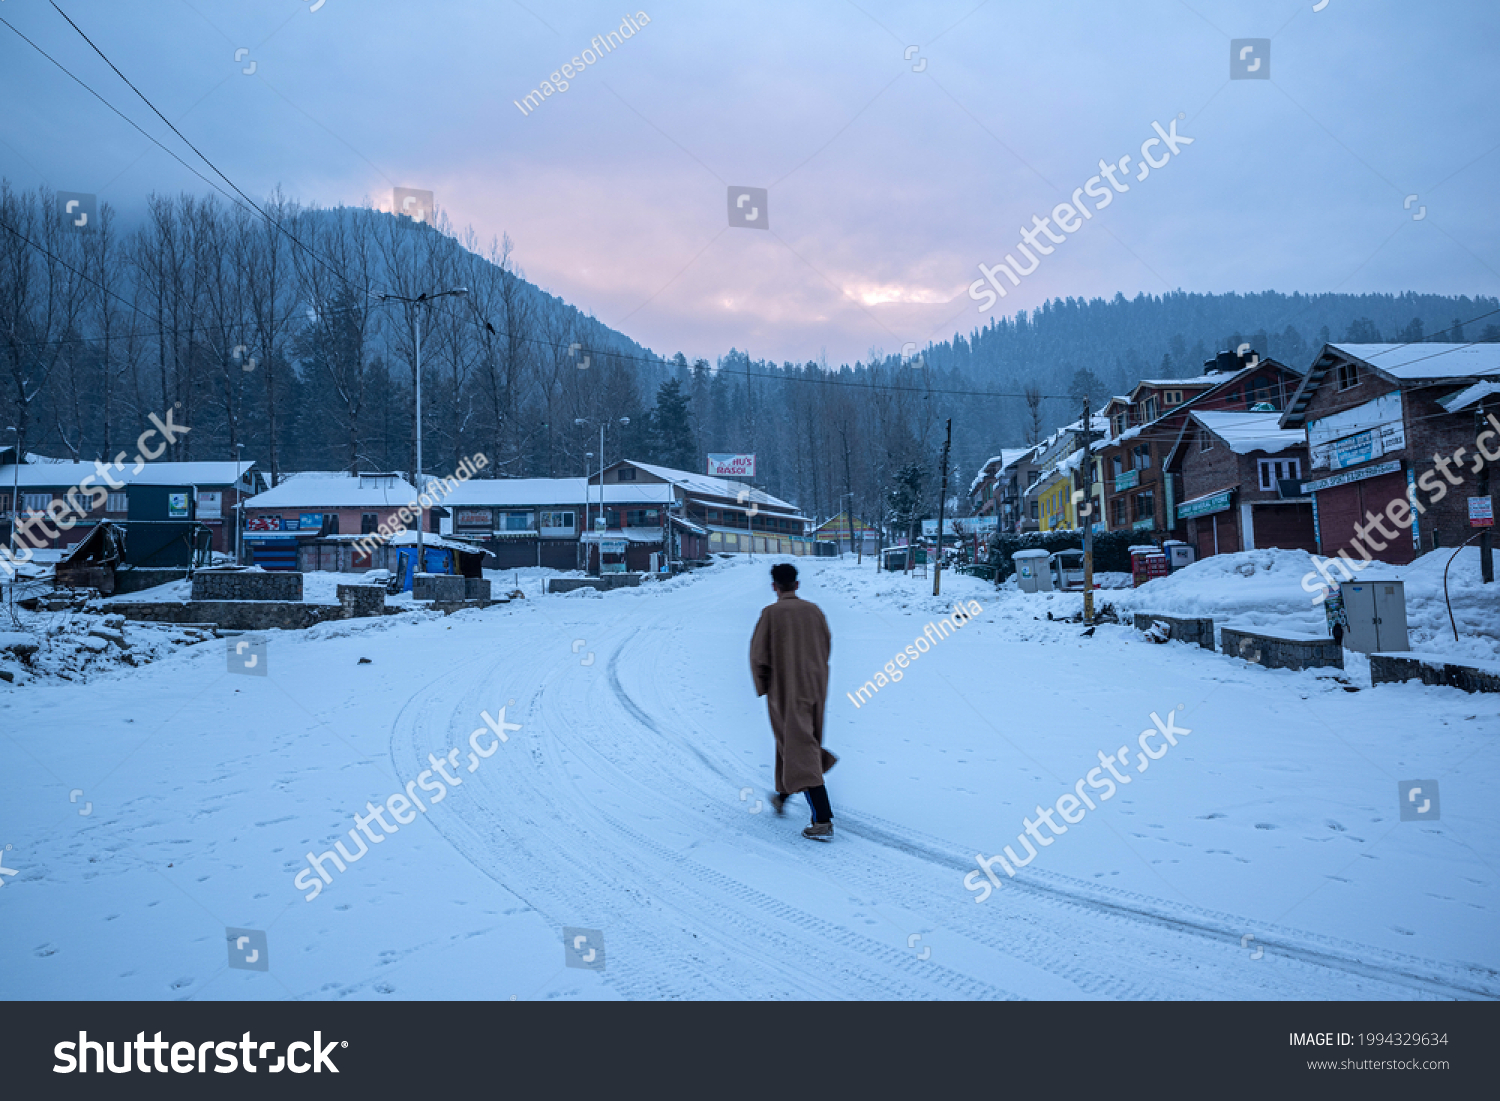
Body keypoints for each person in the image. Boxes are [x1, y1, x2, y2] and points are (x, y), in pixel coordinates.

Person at [750, 562, 837, 841]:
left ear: (774, 586)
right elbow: (826, 645)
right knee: (795, 742)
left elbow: (758, 657)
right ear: (797, 585)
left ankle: (822, 820)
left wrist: (764, 686)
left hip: (786, 689)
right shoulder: (814, 611)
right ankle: (782, 797)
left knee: (800, 745)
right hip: (815, 685)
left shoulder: (771, 613)